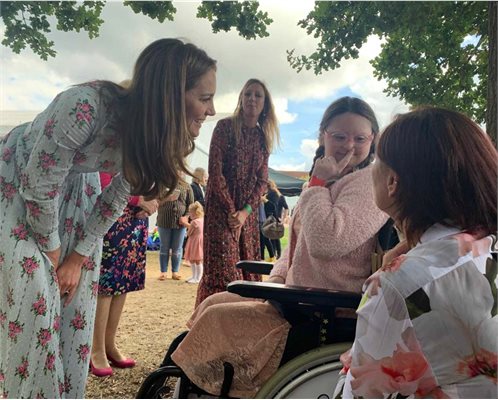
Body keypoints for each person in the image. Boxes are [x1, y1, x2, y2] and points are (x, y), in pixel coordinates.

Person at [0, 38, 216, 398]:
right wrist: (55, 256)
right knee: (33, 312)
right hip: (19, 189)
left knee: (75, 311)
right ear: (170, 93)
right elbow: (38, 186)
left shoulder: (152, 135)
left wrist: (76, 258)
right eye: (205, 98)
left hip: (76, 195)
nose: (210, 111)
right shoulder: (84, 106)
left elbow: (117, 196)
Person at [171, 96, 389, 397]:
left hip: (325, 310)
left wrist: (316, 185)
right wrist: (275, 282)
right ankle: (200, 384)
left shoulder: (368, 184)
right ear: (323, 134)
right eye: (339, 136)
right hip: (297, 300)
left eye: (359, 138)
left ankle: (207, 388)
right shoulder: (332, 180)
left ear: (373, 140)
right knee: (214, 302)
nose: (348, 145)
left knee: (216, 316)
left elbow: (328, 241)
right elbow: (295, 246)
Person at [337, 107, 498, 399]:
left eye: (376, 160)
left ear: (392, 182)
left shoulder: (399, 283)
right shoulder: (488, 249)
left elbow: (358, 395)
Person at [196, 78, 280, 306]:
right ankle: (211, 321)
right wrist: (232, 211)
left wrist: (245, 212)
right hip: (221, 211)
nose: (252, 99)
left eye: (257, 95)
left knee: (248, 266)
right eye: (248, 94)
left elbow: (262, 180)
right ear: (241, 98)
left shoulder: (263, 138)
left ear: (265, 104)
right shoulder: (224, 127)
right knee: (223, 270)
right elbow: (215, 171)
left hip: (248, 214)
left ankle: (245, 322)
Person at [90, 172, 158, 377]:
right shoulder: (115, 140)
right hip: (113, 214)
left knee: (123, 283)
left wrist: (151, 202)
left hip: (134, 218)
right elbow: (101, 177)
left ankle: (109, 343)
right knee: (107, 284)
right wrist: (139, 199)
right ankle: (96, 348)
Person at [157, 181, 194, 281]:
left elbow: (190, 204)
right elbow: (156, 202)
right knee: (164, 247)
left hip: (180, 222)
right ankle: (163, 272)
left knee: (177, 248)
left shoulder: (186, 186)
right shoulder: (161, 184)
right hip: (163, 220)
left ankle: (175, 271)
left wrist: (186, 217)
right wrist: (167, 199)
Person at [183, 201, 205, 284]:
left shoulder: (194, 222)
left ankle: (197, 277)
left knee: (194, 259)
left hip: (194, 241)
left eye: (191, 213)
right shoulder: (202, 220)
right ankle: (195, 276)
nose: (190, 215)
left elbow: (189, 233)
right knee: (197, 259)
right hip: (200, 240)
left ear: (195, 213)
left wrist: (185, 224)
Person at [266, 179, 288, 258]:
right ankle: (278, 254)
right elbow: (286, 208)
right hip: (277, 218)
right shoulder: (279, 195)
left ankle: (276, 254)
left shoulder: (271, 194)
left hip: (272, 218)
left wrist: (283, 218)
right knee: (275, 237)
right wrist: (283, 218)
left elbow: (273, 206)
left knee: (273, 237)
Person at [259, 196, 275, 261]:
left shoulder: (263, 201)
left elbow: (272, 207)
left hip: (262, 223)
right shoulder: (255, 201)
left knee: (264, 241)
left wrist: (265, 200)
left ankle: (264, 258)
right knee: (264, 241)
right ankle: (270, 256)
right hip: (260, 223)